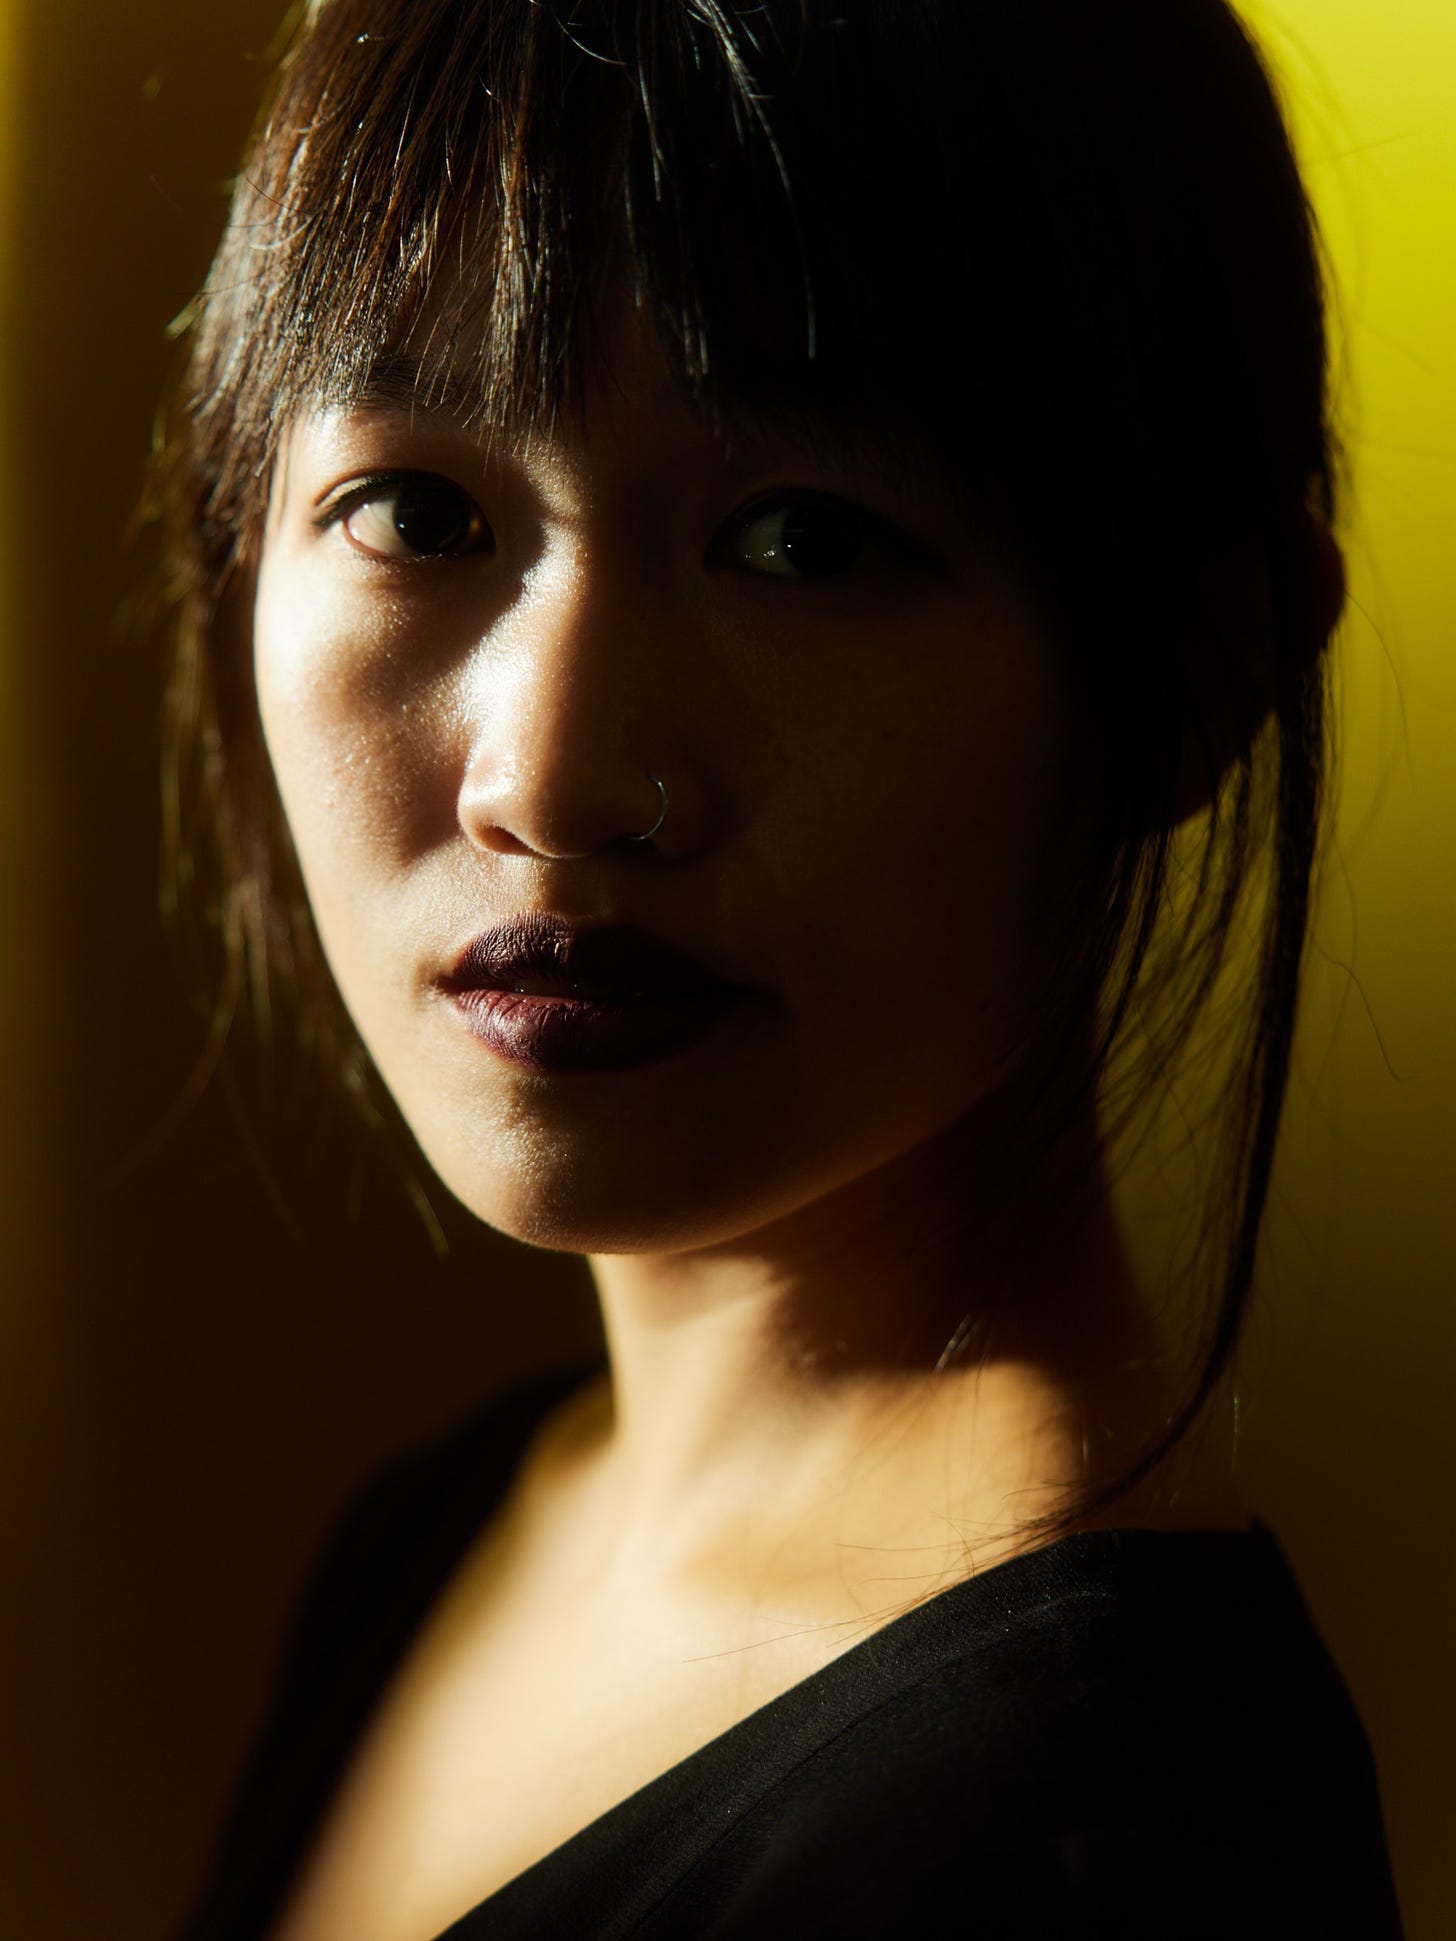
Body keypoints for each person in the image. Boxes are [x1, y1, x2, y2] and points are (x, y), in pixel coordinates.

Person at [158, 1, 1402, 1935]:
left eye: (802, 542)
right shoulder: (448, 1530)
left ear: (1196, 673)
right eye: (419, 511)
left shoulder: (1108, 1838)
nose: (553, 782)